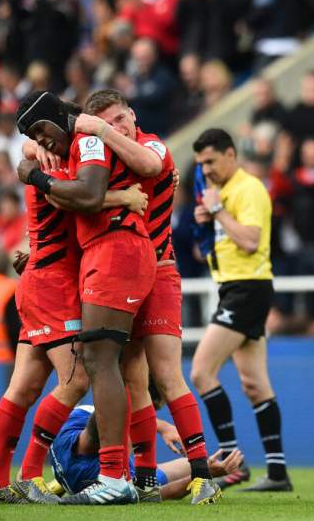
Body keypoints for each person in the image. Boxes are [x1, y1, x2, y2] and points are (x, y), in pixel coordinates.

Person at [0, 121, 148, 504]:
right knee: (74, 381)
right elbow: (72, 197)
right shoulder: (58, 165)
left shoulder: (51, 157)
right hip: (53, 285)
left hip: (42, 281)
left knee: (23, 387)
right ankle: (28, 476)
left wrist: (30, 156)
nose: (41, 144)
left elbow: (39, 163)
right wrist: (123, 197)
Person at [73, 89, 219, 504]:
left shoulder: (150, 144)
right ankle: (147, 481)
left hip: (160, 271)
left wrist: (100, 130)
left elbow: (151, 164)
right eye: (109, 122)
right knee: (135, 381)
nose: (118, 127)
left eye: (121, 118)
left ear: (132, 114)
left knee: (168, 375)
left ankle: (202, 474)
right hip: (126, 274)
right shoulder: (107, 158)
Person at [190, 128, 292, 492]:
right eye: (201, 163)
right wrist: (207, 223)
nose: (205, 169)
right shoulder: (222, 192)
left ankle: (233, 461)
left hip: (247, 288)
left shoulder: (248, 189)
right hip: (235, 287)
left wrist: (217, 210)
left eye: (211, 161)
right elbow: (210, 251)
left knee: (202, 372)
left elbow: (249, 241)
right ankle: (277, 472)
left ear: (231, 155)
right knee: (254, 383)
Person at [48, 383, 243, 502]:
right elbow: (160, 493)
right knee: (149, 483)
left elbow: (105, 413)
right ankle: (58, 482)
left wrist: (201, 468)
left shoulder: (71, 428)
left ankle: (56, 482)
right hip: (86, 475)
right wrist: (203, 472)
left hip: (74, 462)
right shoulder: (103, 474)